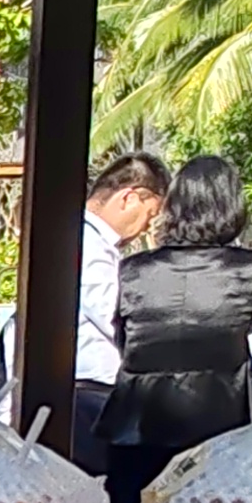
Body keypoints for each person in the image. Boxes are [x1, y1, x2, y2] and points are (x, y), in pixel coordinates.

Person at [101, 153, 252, 503]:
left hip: (138, 423)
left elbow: (125, 337)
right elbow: (250, 323)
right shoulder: (251, 268)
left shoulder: (135, 269)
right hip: (220, 423)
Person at [67, 149, 166, 473]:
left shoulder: (91, 241)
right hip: (86, 396)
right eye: (149, 215)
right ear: (129, 198)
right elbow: (117, 316)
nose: (146, 227)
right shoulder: (88, 245)